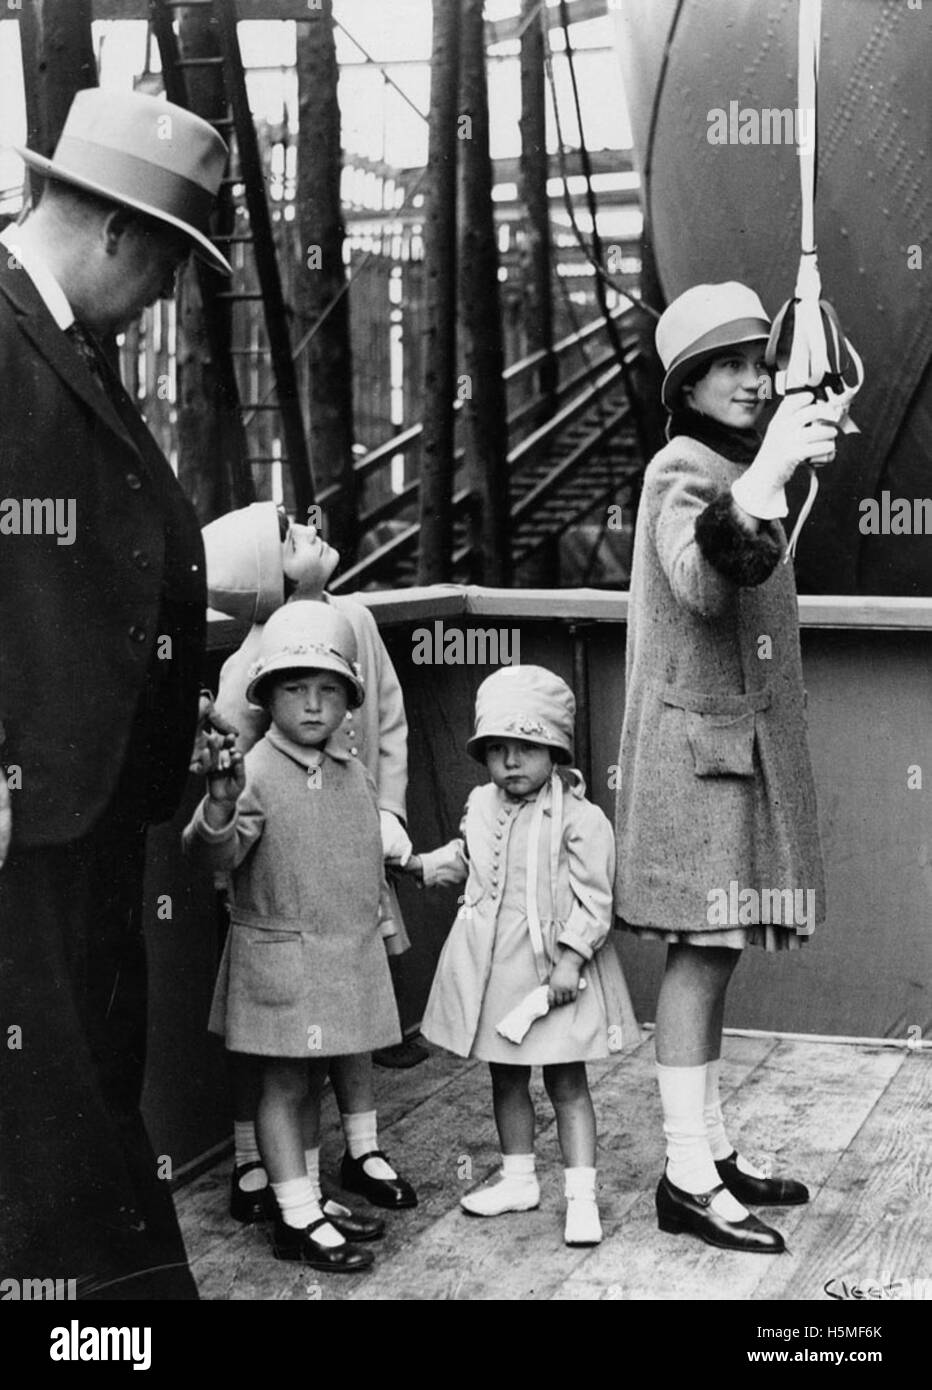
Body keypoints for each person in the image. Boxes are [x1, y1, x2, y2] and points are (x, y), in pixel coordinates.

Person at [0, 88, 233, 1300]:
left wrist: (163, 685)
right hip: (24, 804)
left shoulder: (64, 334)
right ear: (117, 233)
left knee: (88, 1082)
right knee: (50, 1113)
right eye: (171, 269)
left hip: (89, 800)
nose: (167, 297)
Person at [613, 282, 840, 1254]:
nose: (752, 378)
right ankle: (683, 1175)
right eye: (729, 365)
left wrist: (775, 467)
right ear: (688, 384)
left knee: (718, 953)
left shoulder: (734, 466)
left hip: (728, 758)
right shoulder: (681, 467)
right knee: (698, 960)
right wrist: (765, 477)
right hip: (695, 760)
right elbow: (704, 582)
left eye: (760, 359)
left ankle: (707, 1150)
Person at [202, 501, 418, 1223]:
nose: (315, 528)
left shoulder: (350, 617)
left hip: (350, 869)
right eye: (291, 534)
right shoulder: (250, 660)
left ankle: (356, 1151)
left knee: (346, 1017)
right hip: (275, 889)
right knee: (271, 1046)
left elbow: (384, 718)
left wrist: (388, 820)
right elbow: (237, 771)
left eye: (329, 690)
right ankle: (259, 1166)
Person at [401, 665, 639, 1247]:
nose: (511, 762)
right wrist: (425, 866)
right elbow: (474, 860)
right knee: (506, 1078)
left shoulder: (581, 819)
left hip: (557, 971)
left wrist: (570, 959)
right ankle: (517, 1178)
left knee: (566, 1081)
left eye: (526, 747)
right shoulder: (481, 803)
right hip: (496, 968)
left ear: (554, 749)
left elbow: (596, 901)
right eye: (498, 749)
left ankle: (581, 1196)